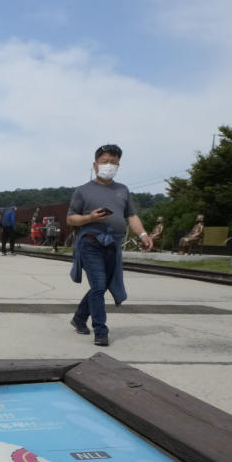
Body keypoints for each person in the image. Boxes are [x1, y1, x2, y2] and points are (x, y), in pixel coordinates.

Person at [66, 143, 152, 347]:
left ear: (118, 165)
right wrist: (90, 217)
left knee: (102, 285)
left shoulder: (123, 190)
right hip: (90, 242)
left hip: (113, 243)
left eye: (114, 162)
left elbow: (131, 215)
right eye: (105, 162)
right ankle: (100, 330)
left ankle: (79, 318)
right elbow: (71, 219)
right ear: (95, 165)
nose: (109, 166)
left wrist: (143, 234)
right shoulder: (82, 191)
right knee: (98, 284)